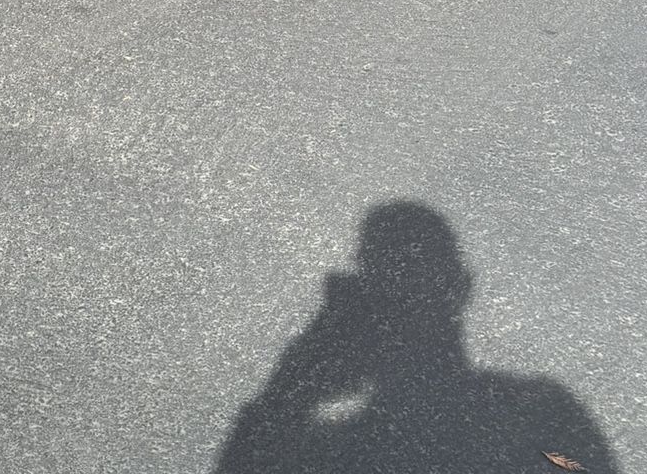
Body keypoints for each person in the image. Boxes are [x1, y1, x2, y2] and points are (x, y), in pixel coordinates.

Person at [215, 201, 617, 474]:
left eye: (412, 275)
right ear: (462, 286)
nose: (402, 298)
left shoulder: (333, 449)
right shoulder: (535, 412)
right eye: (390, 280)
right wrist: (291, 386)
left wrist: (289, 388)